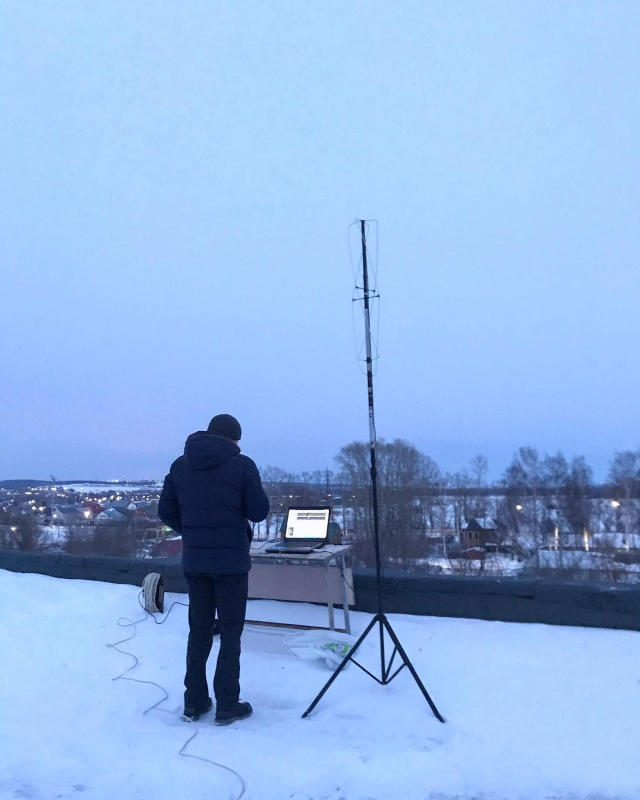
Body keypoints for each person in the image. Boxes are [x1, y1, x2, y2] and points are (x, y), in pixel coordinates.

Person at [158, 413, 269, 725]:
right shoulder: (242, 464)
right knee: (231, 634)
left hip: (195, 562)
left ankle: (194, 701)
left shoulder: (181, 465)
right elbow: (259, 511)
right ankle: (227, 705)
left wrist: (193, 530)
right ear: (234, 439)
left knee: (199, 631)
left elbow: (165, 510)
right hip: (231, 564)